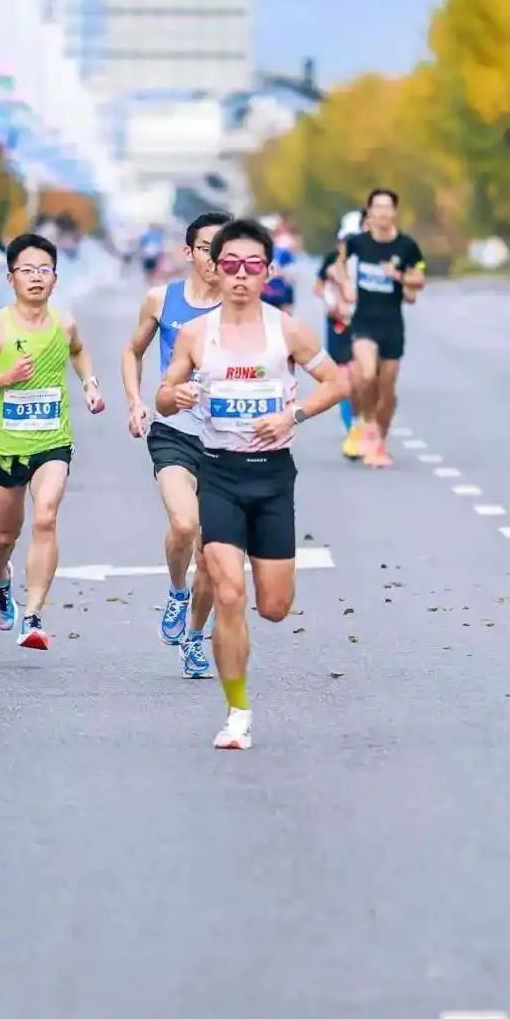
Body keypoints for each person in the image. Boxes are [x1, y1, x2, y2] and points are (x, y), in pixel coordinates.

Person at [156, 219, 343, 751]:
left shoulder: (288, 331)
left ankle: (238, 679)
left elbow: (337, 382)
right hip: (218, 472)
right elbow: (164, 395)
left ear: (268, 272)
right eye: (230, 265)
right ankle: (236, 711)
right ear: (215, 269)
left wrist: (293, 416)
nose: (240, 275)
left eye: (251, 265)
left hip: (272, 476)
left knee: (275, 606)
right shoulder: (197, 334)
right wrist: (177, 396)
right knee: (228, 592)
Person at [0, 233, 106, 652]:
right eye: (27, 270)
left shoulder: (64, 323)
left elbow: (79, 352)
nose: (37, 277)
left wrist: (90, 385)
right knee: (5, 536)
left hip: (52, 441)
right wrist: (6, 377)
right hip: (6, 447)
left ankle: (34, 615)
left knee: (45, 518)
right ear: (11, 278)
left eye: (44, 270)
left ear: (55, 278)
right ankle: (0, 579)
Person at [121, 210, 230, 678]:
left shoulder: (242, 307)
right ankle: (176, 591)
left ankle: (195, 636)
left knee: (212, 556)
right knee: (184, 526)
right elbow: (133, 351)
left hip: (227, 440)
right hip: (174, 430)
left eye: (224, 251)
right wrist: (135, 402)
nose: (215, 260)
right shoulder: (161, 300)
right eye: (207, 249)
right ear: (189, 252)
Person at [336, 189, 426, 469]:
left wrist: (398, 276)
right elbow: (338, 266)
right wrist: (345, 286)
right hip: (364, 321)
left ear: (395, 212)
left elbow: (419, 279)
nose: (383, 213)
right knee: (365, 374)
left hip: (392, 324)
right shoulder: (356, 243)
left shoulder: (407, 246)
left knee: (386, 389)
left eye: (388, 208)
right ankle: (363, 423)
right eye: (378, 207)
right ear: (370, 212)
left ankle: (379, 442)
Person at [315, 211, 362, 444]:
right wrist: (331, 302)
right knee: (344, 377)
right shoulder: (331, 261)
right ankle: (351, 426)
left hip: (364, 323)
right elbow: (318, 286)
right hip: (339, 324)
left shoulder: (370, 262)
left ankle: (364, 422)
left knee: (363, 375)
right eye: (347, 239)